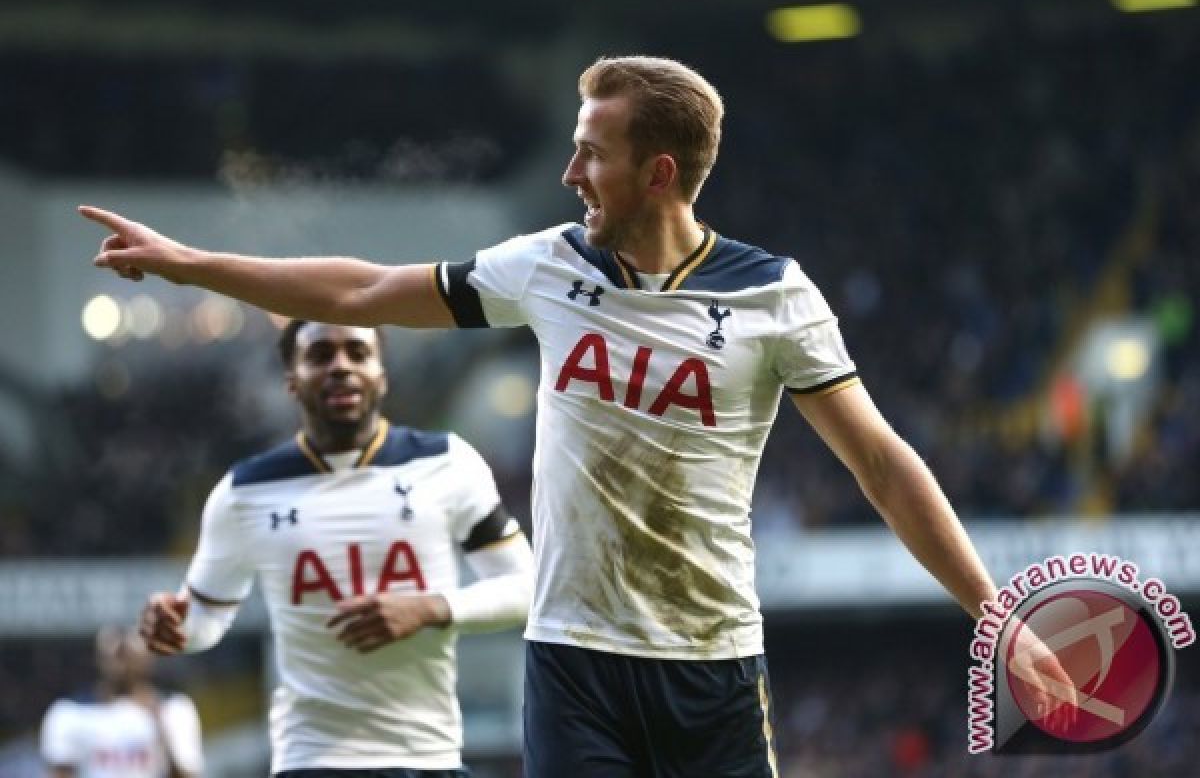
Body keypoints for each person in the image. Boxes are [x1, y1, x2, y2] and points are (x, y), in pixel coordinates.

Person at [82, 56, 1073, 776]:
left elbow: (882, 463)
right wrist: (188, 261)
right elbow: (363, 289)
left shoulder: (775, 295)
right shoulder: (550, 265)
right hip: (573, 664)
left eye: (590, 154)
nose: (568, 174)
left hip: (713, 663)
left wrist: (993, 610)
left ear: (659, 172)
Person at [136, 320, 534, 776]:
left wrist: (429, 608)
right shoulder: (244, 490)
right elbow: (205, 617)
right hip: (311, 761)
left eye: (357, 353)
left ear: (381, 374)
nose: (340, 366)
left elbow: (525, 590)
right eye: (321, 355)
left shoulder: (446, 462)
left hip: (427, 758)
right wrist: (176, 628)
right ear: (292, 380)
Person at [40, 626, 203, 778]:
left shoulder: (174, 709)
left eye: (127, 652)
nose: (122, 660)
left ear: (149, 657)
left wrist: (160, 727)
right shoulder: (69, 713)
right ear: (97, 657)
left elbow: (188, 773)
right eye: (116, 652)